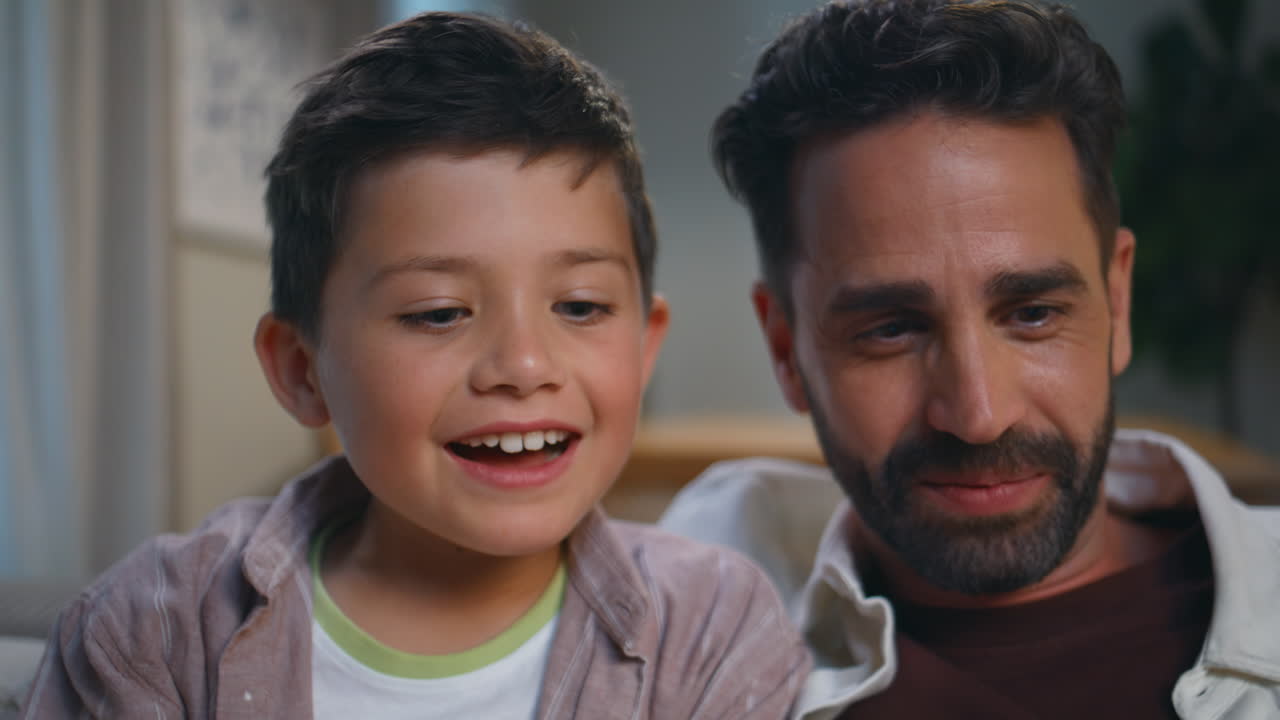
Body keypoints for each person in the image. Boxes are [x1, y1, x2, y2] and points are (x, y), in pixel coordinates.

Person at [21, 12, 808, 719]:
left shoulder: (713, 632)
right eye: (438, 313)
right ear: (302, 370)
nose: (523, 365)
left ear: (643, 346)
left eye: (579, 306)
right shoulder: (154, 632)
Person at [659, 1, 1280, 718]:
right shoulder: (680, 613)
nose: (980, 415)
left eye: (1033, 314)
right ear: (785, 350)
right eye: (891, 329)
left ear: (1118, 301)